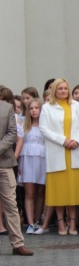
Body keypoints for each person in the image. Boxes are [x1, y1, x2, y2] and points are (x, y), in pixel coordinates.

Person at [39, 78, 79, 235]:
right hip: (57, 151)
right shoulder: (47, 107)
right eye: (60, 88)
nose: (63, 91)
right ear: (54, 90)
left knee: (72, 191)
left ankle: (72, 224)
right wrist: (63, 140)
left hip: (74, 151)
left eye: (65, 88)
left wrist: (77, 141)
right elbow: (44, 129)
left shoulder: (76, 106)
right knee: (59, 192)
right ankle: (61, 224)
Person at [0, 90, 33, 255]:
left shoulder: (7, 108)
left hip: (4, 163)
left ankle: (18, 244)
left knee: (11, 204)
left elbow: (12, 133)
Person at [14, 98, 45, 235]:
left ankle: (37, 220)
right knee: (29, 193)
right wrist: (19, 163)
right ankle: (30, 223)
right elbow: (20, 145)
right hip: (27, 160)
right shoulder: (24, 126)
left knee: (40, 192)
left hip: (42, 159)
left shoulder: (45, 126)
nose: (33, 111)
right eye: (31, 108)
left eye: (36, 108)